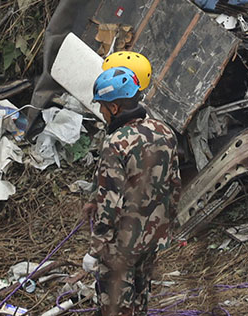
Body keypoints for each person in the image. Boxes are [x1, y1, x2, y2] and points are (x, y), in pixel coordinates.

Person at [82, 66, 180, 316]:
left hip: (120, 246)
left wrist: (96, 249)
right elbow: (174, 183)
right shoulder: (164, 131)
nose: (102, 113)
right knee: (139, 297)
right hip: (151, 236)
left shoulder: (115, 144)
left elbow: (110, 204)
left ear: (114, 108)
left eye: (102, 107)